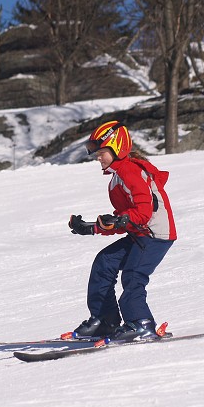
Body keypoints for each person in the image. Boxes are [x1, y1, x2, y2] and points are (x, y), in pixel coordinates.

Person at [67, 121, 177, 342]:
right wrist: (92, 228)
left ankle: (141, 323)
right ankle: (105, 320)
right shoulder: (117, 175)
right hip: (140, 234)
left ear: (117, 147)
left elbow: (143, 212)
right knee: (104, 262)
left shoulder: (130, 170)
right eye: (96, 153)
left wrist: (121, 220)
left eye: (102, 152)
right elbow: (125, 219)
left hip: (155, 235)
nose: (98, 157)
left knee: (133, 275)